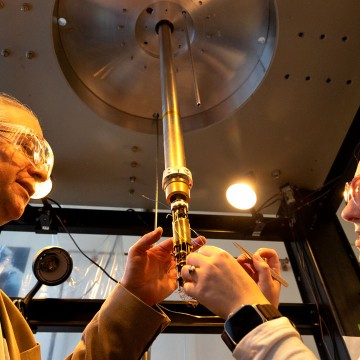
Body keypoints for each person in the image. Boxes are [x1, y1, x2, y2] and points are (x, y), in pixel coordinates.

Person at [0, 93, 206, 359]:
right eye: (26, 146)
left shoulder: (9, 324)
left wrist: (135, 298)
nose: (41, 173)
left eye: (41, 158)